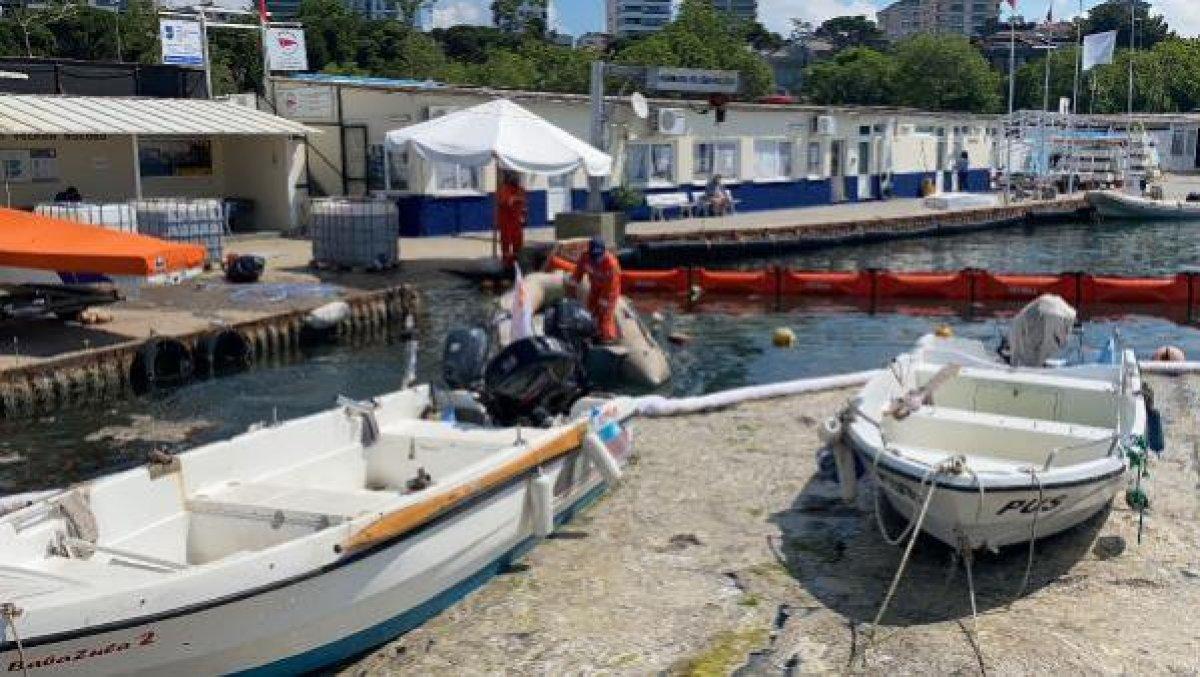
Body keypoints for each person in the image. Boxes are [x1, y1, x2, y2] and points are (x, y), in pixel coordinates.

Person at [570, 236, 622, 343]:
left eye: (598, 255)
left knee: (605, 318)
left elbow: (611, 288)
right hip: (595, 287)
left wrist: (602, 304)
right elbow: (576, 276)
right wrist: (572, 291)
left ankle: (608, 339)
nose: (596, 258)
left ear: (604, 252)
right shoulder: (585, 258)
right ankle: (592, 335)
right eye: (594, 255)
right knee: (590, 313)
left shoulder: (612, 265)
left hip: (608, 292)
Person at [496, 171, 527, 268]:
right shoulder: (503, 190)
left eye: (516, 177)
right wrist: (515, 199)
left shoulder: (520, 190)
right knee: (506, 243)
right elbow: (505, 202)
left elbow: (524, 206)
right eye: (514, 177)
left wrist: (524, 217)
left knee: (517, 245)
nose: (516, 179)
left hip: (516, 222)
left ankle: (516, 263)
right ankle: (506, 264)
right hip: (506, 222)